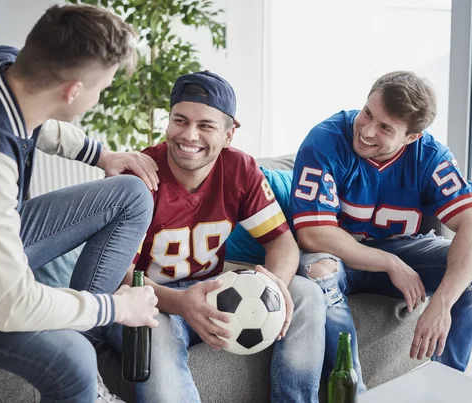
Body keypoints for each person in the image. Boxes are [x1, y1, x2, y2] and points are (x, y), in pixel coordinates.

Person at [0, 4, 161, 403]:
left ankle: (82, 340)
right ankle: (83, 364)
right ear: (74, 91)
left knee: (129, 194)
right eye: (103, 87)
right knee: (73, 360)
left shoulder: (3, 64)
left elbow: (38, 118)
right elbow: (10, 305)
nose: (102, 95)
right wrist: (114, 308)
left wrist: (102, 156)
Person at [91, 71, 326, 403]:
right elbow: (117, 275)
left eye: (206, 125)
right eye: (180, 120)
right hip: (144, 299)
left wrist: (273, 284)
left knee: (305, 292)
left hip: (210, 290)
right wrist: (182, 304)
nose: (189, 135)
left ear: (229, 134)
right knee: (159, 332)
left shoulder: (240, 169)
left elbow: (281, 241)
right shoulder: (139, 176)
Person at [291, 71, 472, 393]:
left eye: (385, 128)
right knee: (319, 271)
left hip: (401, 249)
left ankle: (445, 389)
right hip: (337, 258)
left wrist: (442, 304)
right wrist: (390, 263)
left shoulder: (430, 156)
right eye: (367, 113)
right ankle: (353, 394)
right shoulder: (326, 140)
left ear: (411, 137)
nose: (365, 130)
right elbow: (313, 234)